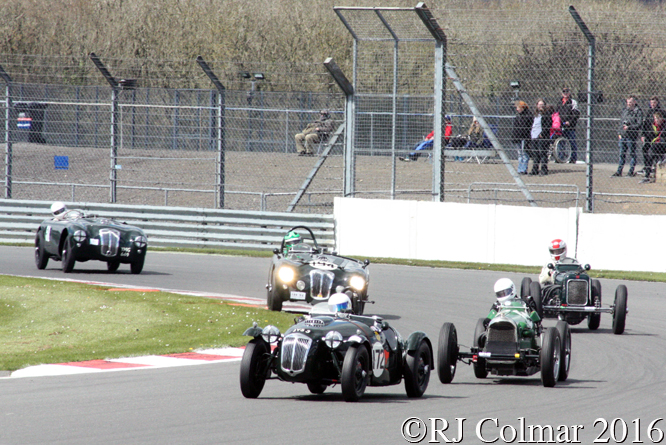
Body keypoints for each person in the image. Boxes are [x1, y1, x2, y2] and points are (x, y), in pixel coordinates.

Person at [612, 95, 643, 177]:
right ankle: (619, 172)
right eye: (628, 102)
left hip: (631, 136)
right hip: (623, 136)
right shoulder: (625, 110)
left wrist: (629, 127)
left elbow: (639, 124)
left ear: (634, 102)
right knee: (622, 154)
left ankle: (631, 172)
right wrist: (619, 133)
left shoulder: (638, 111)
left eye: (631, 102)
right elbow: (621, 122)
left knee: (632, 154)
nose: (629, 104)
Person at [527, 99, 552, 176]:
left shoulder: (547, 114)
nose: (541, 106)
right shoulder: (535, 114)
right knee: (535, 153)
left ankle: (544, 169)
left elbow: (548, 125)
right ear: (537, 105)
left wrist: (542, 133)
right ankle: (535, 169)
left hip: (542, 137)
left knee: (543, 153)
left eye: (542, 105)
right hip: (534, 136)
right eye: (539, 104)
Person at [640, 110, 666, 184]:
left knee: (656, 147)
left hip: (663, 144)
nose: (657, 120)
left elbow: (663, 136)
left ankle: (663, 159)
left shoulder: (664, 125)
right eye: (655, 118)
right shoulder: (652, 125)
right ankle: (647, 176)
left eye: (658, 118)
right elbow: (649, 136)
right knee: (650, 153)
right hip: (656, 145)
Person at [556, 87, 580, 163]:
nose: (565, 93)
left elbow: (576, 114)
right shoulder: (560, 102)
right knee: (560, 142)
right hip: (561, 126)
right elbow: (556, 113)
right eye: (564, 92)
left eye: (567, 92)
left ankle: (573, 158)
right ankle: (561, 158)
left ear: (569, 93)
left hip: (570, 127)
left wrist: (569, 122)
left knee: (572, 142)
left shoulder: (573, 102)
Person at [640, 96, 662, 174]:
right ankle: (647, 167)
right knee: (645, 149)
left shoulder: (660, 112)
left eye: (654, 102)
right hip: (648, 135)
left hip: (656, 136)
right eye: (651, 102)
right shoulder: (649, 112)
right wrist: (643, 135)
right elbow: (645, 124)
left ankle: (654, 167)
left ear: (657, 103)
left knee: (654, 151)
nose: (653, 104)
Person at [512, 101, 532, 174]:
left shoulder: (528, 115)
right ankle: (520, 169)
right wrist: (514, 138)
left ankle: (524, 169)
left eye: (518, 107)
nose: (517, 109)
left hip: (525, 137)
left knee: (524, 154)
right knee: (520, 154)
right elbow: (515, 128)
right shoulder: (518, 115)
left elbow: (527, 128)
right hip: (518, 138)